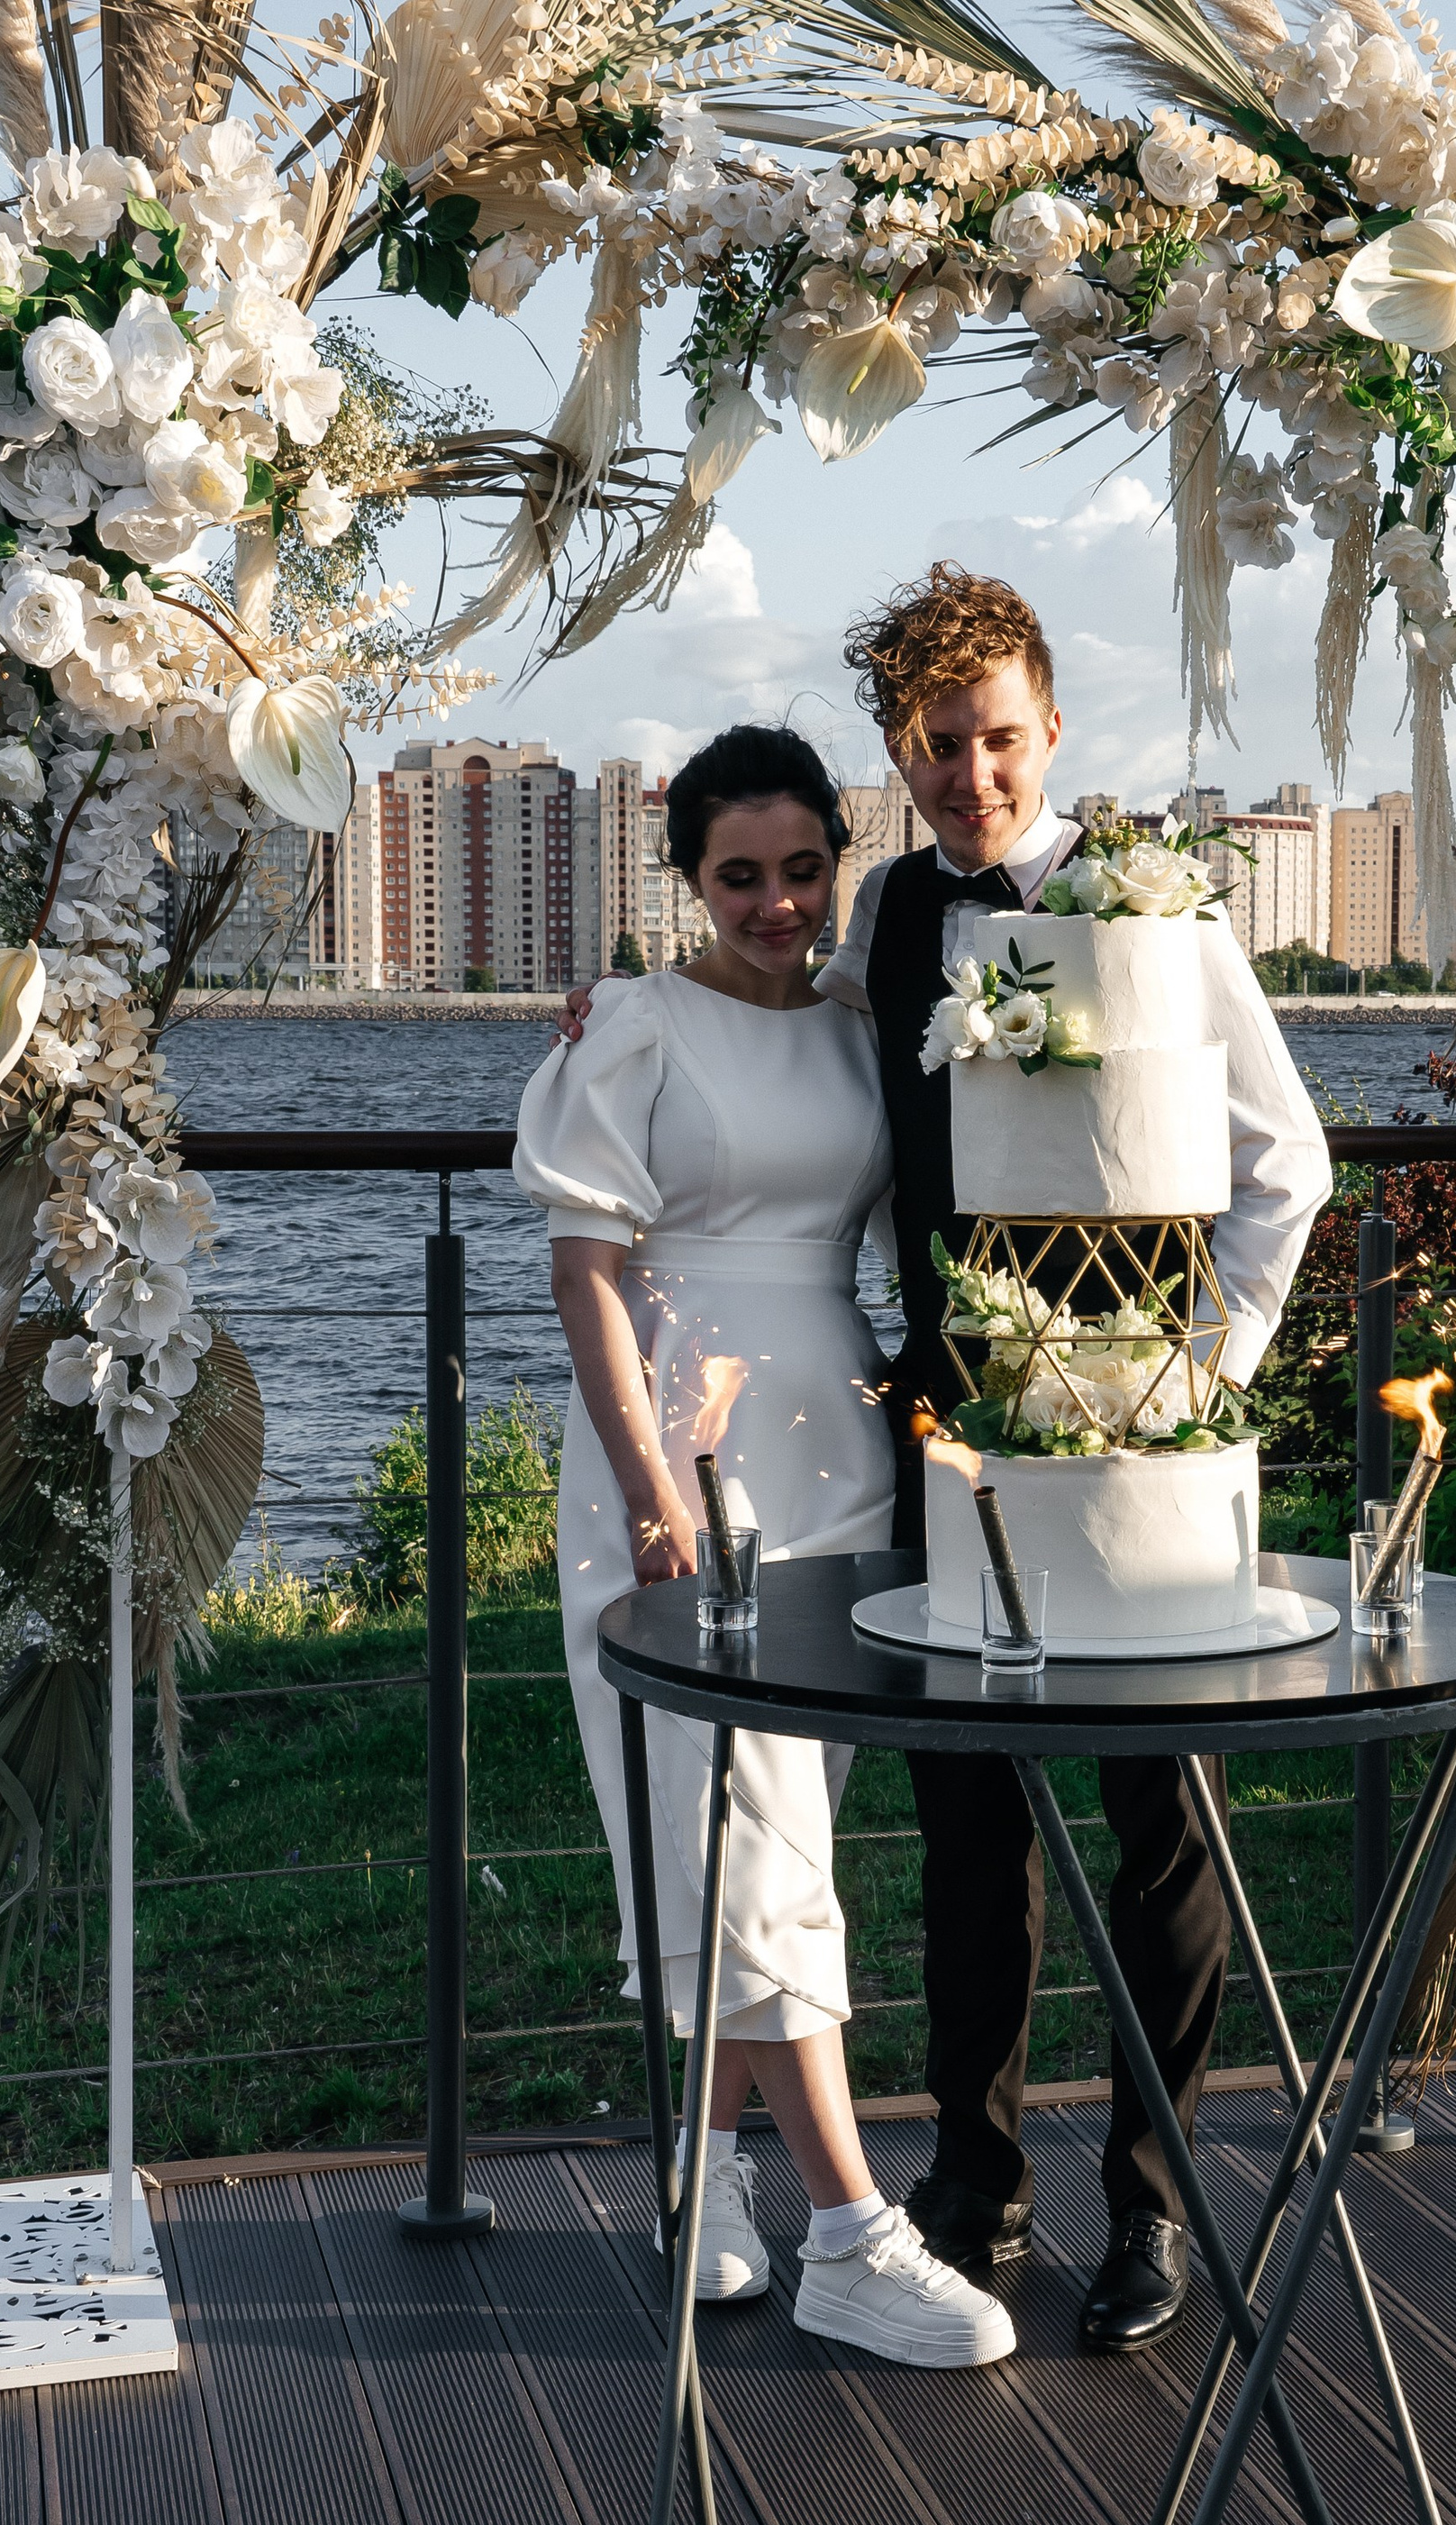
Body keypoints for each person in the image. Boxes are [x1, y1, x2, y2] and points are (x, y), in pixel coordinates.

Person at [815, 566, 1333, 2350]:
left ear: (1050, 730)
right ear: (900, 752)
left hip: (1138, 1427)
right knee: (963, 1819)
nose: (972, 774)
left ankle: (1153, 2202)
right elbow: (806, 1099)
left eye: (998, 739)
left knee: (1158, 1822)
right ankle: (974, 2182)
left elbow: (1286, 1163)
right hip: (951, 1425)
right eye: (937, 746)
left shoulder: (1154, 912)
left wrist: (1195, 1374)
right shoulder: (886, 919)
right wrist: (619, 1035)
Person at [516, 722, 1013, 2371]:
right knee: (737, 1822)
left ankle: (707, 2171)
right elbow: (587, 1266)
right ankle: (855, 2230)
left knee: (767, 1839)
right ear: (688, 878)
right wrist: (652, 1481)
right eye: (743, 875)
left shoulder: (871, 1024)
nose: (781, 903)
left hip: (841, 1446)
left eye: (806, 869)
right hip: (687, 1452)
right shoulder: (638, 1029)